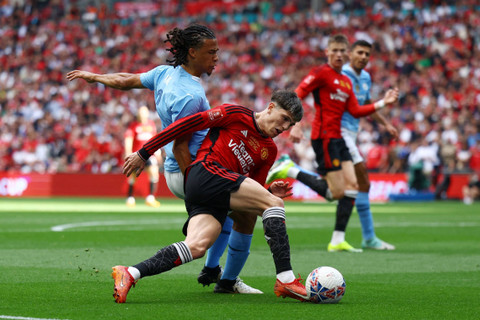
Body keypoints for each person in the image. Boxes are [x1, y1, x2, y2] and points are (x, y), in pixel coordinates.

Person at [66, 24, 260, 294]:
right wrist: (196, 188)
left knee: (230, 216)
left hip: (182, 169)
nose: (217, 57)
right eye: (211, 52)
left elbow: (126, 80)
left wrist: (96, 77)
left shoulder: (164, 73)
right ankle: (226, 279)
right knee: (245, 215)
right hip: (190, 169)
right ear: (192, 52)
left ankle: (216, 273)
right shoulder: (189, 95)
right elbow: (181, 145)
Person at [113, 90, 307, 303]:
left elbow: (254, 196)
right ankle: (286, 278)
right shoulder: (235, 114)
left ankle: (130, 273)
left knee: (196, 246)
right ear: (270, 108)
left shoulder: (268, 151)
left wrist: (268, 193)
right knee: (274, 204)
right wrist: (144, 152)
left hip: (213, 190)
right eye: (285, 119)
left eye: (291, 125)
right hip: (205, 172)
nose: (285, 127)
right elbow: (185, 125)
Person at [266, 35, 398, 253]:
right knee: (335, 193)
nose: (338, 54)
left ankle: (337, 239)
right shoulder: (320, 73)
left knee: (352, 187)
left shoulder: (346, 82)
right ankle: (291, 170)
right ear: (327, 52)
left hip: (339, 138)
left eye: (341, 51)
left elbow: (356, 110)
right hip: (324, 137)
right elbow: (298, 94)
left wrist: (384, 102)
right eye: (334, 50)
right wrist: (296, 124)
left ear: (345, 54)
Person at [124, 105, 162, 208]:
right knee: (133, 177)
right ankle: (130, 198)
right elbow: (129, 139)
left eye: (144, 113)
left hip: (149, 155)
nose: (142, 115)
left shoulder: (151, 125)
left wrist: (157, 153)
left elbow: (155, 139)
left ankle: (150, 198)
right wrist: (128, 152)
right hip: (137, 154)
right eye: (140, 113)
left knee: (154, 174)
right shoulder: (133, 126)